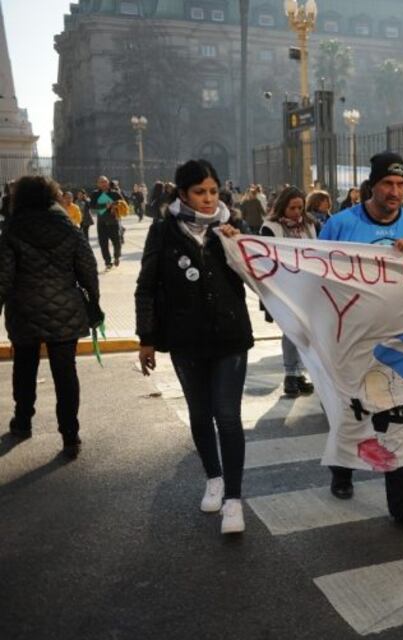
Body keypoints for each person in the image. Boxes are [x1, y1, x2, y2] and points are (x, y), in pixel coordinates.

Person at [135, 159, 254, 535]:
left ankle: (233, 500)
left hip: (230, 338)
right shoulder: (163, 231)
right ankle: (214, 478)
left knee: (228, 415)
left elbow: (262, 273)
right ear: (183, 193)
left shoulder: (232, 228)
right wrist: (146, 339)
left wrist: (238, 245)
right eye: (199, 192)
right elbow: (147, 286)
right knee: (200, 414)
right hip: (186, 340)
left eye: (213, 191)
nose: (207, 199)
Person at [319, 151, 403, 535]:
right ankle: (343, 468)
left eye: (401, 185)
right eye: (388, 184)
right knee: (351, 412)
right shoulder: (340, 225)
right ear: (372, 185)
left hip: (401, 344)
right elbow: (315, 277)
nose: (395, 191)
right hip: (351, 341)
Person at [0, 175, 102, 458]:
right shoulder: (67, 226)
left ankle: (23, 421)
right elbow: (88, 266)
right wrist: (94, 300)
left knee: (24, 366)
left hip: (24, 310)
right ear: (52, 196)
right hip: (66, 309)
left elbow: (3, 277)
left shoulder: (13, 228)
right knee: (65, 372)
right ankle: (70, 435)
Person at [261, 186, 318, 397]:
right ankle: (290, 373)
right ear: (283, 207)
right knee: (291, 330)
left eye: (300, 208)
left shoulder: (310, 225)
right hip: (284, 287)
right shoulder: (271, 227)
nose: (297, 212)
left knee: (305, 332)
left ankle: (300, 372)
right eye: (292, 208)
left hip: (307, 286)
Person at [90, 175, 122, 269]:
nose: (103, 184)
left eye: (105, 182)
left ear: (108, 183)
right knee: (103, 243)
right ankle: (107, 262)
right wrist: (105, 206)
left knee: (117, 243)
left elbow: (124, 204)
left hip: (114, 222)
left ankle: (116, 257)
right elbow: (92, 210)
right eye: (101, 182)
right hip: (102, 222)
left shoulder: (115, 193)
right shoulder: (95, 194)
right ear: (98, 184)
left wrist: (115, 207)